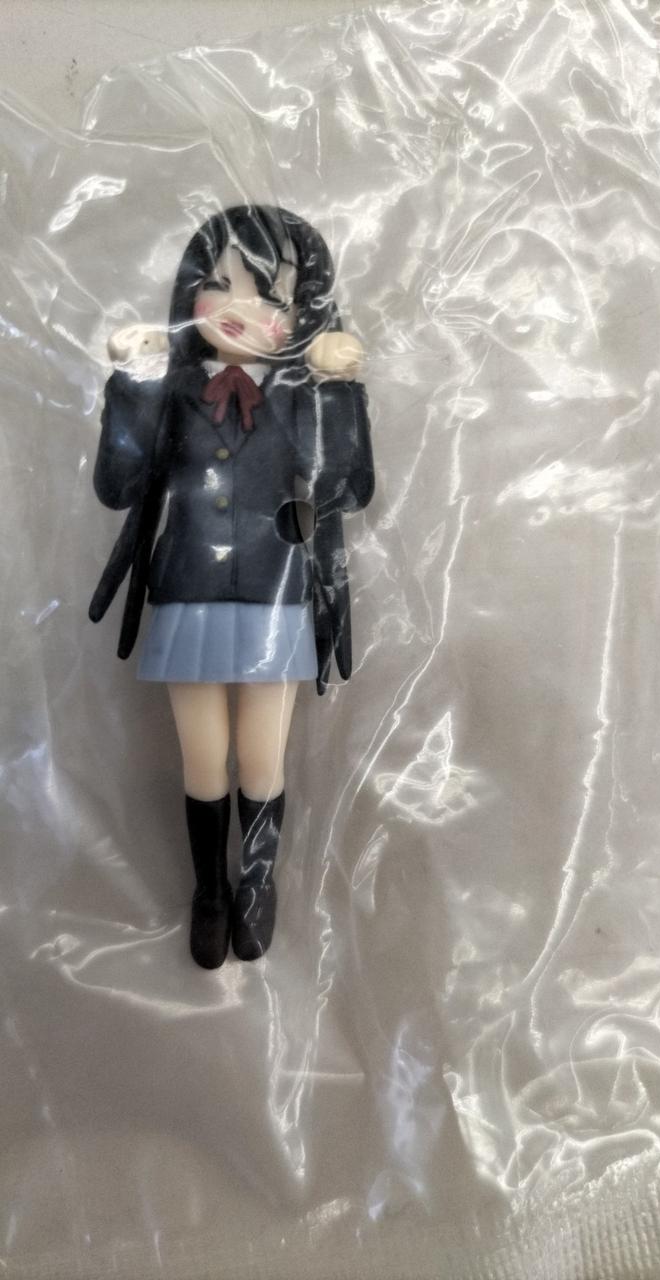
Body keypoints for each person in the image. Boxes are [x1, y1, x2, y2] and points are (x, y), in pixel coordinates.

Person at [89, 205, 374, 969]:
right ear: (190, 294)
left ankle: (256, 883)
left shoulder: (301, 393)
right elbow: (119, 487)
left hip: (278, 596)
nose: (243, 309)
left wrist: (339, 389)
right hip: (187, 591)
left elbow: (346, 490)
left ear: (304, 314)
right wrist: (133, 382)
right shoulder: (174, 390)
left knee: (261, 758)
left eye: (271, 295)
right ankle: (209, 892)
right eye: (221, 284)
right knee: (203, 757)